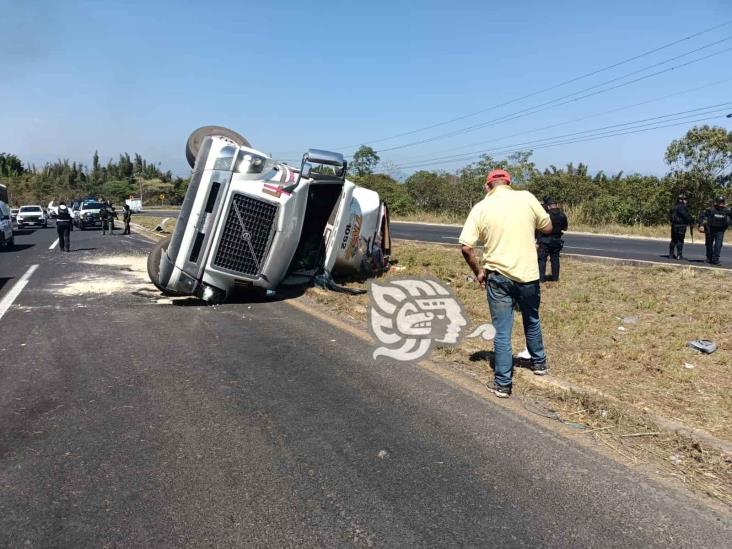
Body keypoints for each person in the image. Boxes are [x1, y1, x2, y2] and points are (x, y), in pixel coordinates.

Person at [459, 169, 553, 398]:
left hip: (498, 277)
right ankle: (539, 364)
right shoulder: (527, 197)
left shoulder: (481, 207)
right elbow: (548, 227)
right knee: (532, 319)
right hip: (528, 275)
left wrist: (479, 271)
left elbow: (466, 247)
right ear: (509, 183)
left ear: (487, 186)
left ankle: (503, 384)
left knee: (502, 331)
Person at [537, 197, 568, 282]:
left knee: (542, 260)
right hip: (557, 240)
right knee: (555, 260)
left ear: (549, 206)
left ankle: (541, 279)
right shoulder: (563, 215)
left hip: (545, 240)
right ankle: (555, 278)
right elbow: (565, 228)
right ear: (556, 205)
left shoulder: (546, 215)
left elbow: (540, 227)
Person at [698, 196, 730, 265]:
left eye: (722, 202)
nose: (721, 204)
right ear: (716, 202)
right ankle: (709, 258)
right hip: (710, 230)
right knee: (709, 244)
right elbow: (701, 216)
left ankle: (716, 260)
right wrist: (701, 225)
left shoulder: (726, 210)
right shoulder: (710, 210)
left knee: (718, 245)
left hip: (720, 231)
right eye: (720, 202)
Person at [669, 192, 693, 260]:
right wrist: (692, 220)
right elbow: (686, 216)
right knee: (680, 240)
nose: (686, 200)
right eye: (685, 199)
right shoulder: (681, 207)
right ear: (681, 200)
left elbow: (670, 215)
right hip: (681, 226)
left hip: (674, 225)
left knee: (673, 240)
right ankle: (679, 255)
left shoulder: (674, 206)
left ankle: (671, 254)